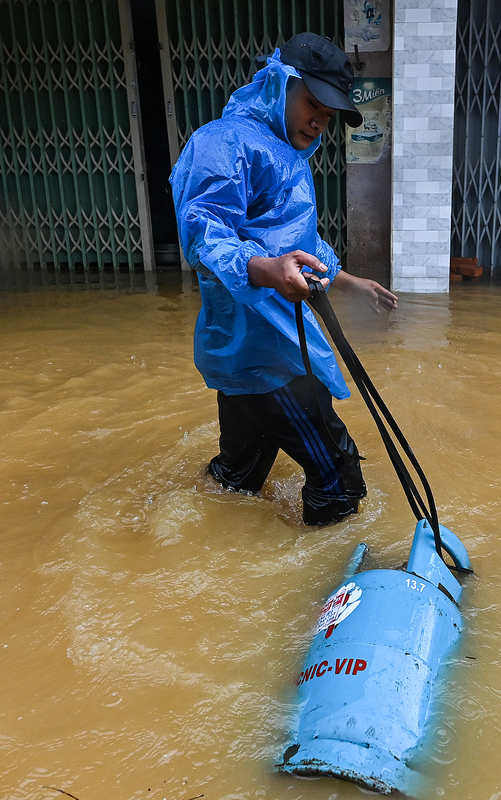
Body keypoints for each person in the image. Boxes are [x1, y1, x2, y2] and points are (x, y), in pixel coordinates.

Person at [171, 32, 398, 526]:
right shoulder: (223, 143)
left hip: (250, 352)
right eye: (313, 103)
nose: (319, 121)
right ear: (278, 85)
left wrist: (348, 281)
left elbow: (297, 242)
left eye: (329, 114)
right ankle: (326, 589)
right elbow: (205, 236)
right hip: (266, 347)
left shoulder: (287, 153)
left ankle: (194, 534)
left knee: (238, 477)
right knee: (338, 476)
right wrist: (266, 271)